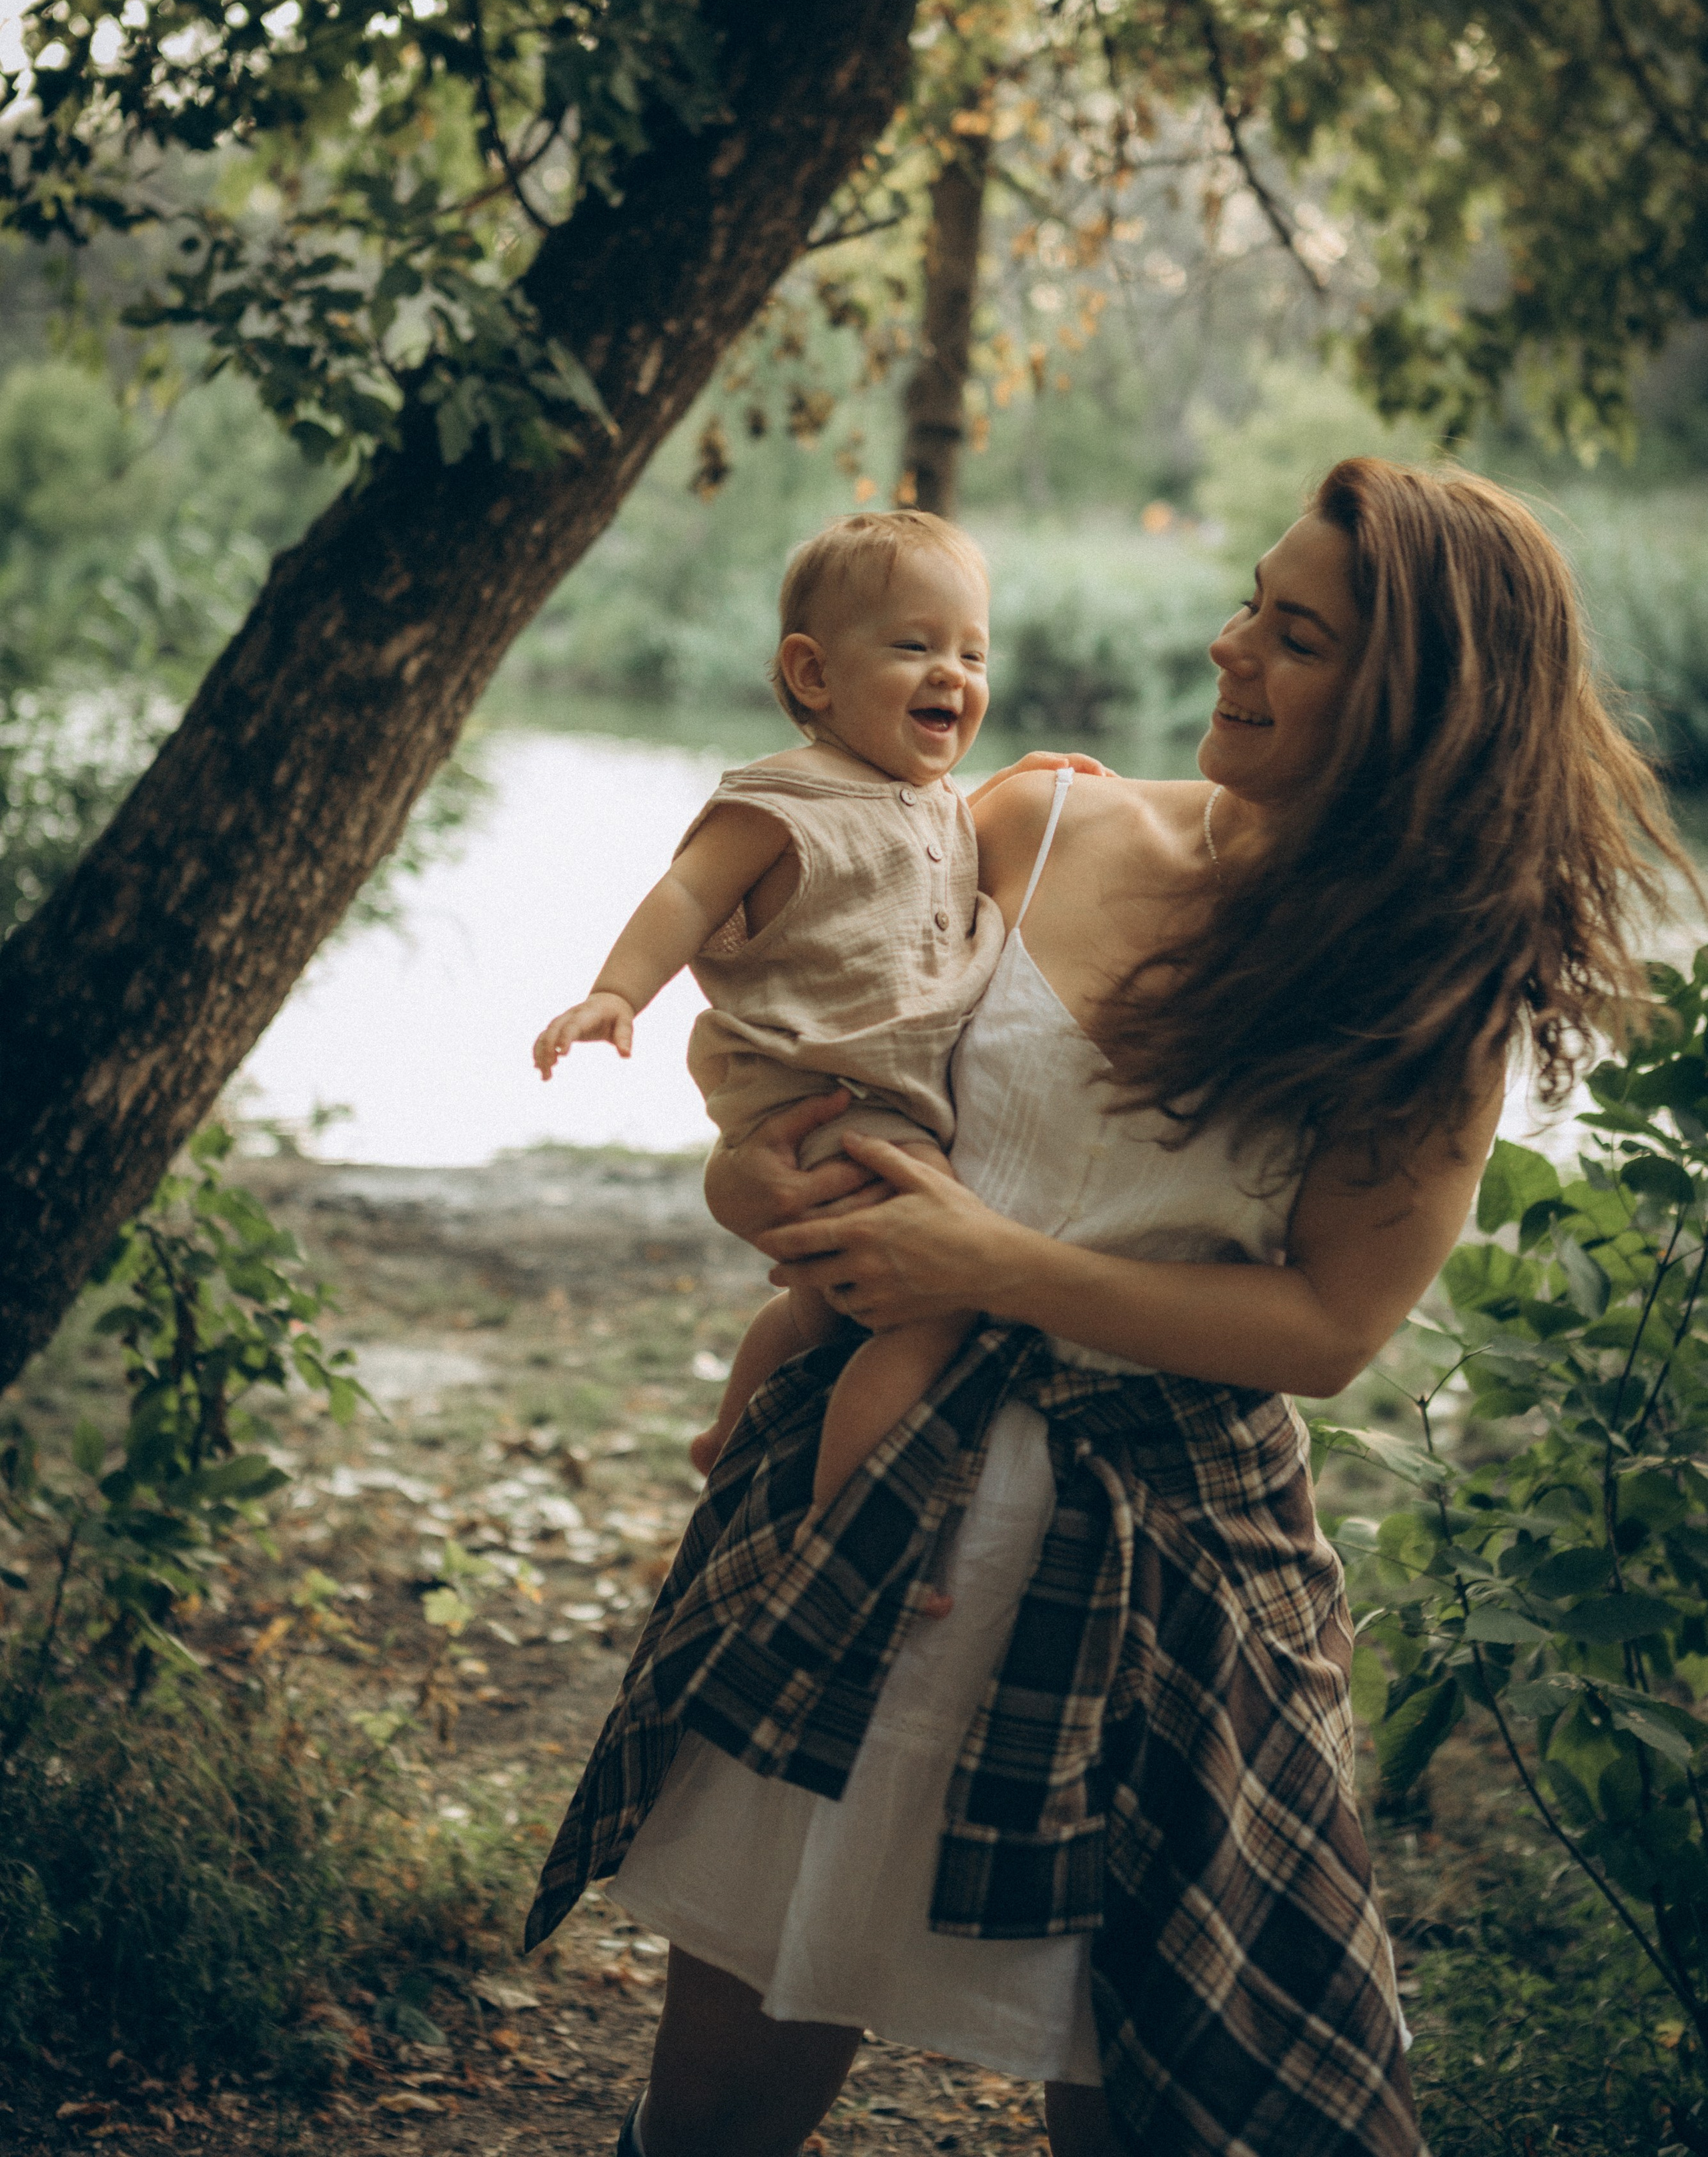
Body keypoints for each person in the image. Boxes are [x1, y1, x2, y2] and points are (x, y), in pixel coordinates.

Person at [527, 459, 1693, 2157]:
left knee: (1168, 2097)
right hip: (867, 1521)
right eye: (1248, 601)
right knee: (715, 2092)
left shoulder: (1424, 999)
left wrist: (984, 1270)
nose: (1229, 649)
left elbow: (1327, 1333)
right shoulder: (1034, 819)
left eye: (1294, 638)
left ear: (1416, 708)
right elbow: (833, 1073)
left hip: (1167, 1579)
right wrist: (747, 1189)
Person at [533, 508, 1032, 1523]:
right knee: (935, 1309)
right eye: (914, 646)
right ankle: (850, 1521)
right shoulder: (785, 800)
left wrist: (1053, 777)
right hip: (829, 1099)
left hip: (879, 1102)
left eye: (972, 653)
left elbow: (965, 838)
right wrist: (617, 992)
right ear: (813, 676)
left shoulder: (931, 798)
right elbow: (684, 896)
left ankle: (728, 1434)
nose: (953, 675)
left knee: (814, 1309)